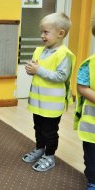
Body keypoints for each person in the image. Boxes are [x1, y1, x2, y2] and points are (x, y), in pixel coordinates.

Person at [22, 12, 76, 172]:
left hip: (52, 105)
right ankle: (40, 149)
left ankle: (50, 155)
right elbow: (37, 71)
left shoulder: (64, 54)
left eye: (46, 32)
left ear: (60, 33)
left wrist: (38, 70)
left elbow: (61, 76)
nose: (42, 36)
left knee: (50, 132)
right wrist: (31, 70)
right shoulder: (39, 50)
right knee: (38, 128)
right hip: (38, 102)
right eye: (41, 32)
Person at [74, 14, 95, 190]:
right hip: (93, 129)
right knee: (92, 158)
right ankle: (93, 182)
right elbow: (82, 87)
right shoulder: (89, 64)